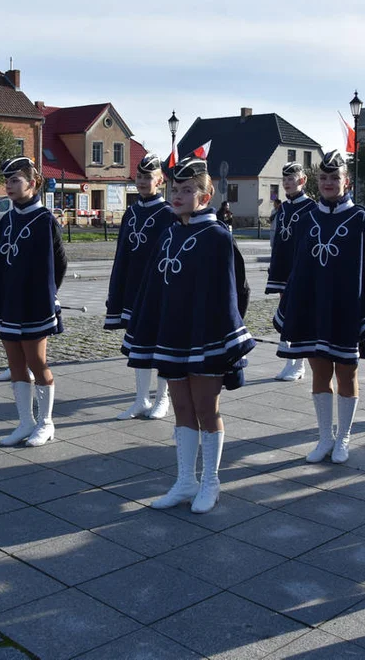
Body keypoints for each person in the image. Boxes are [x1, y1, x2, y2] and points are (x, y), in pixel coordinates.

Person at [123, 151, 255, 513]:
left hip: (207, 336)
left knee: (205, 407)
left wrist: (225, 337)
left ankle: (210, 482)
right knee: (181, 406)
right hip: (174, 334)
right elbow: (154, 285)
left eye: (187, 189)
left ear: (204, 196)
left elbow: (235, 291)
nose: (177, 196)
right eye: (175, 189)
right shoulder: (168, 234)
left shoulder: (217, 236)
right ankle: (185, 480)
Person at [274, 150, 365, 465]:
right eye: (323, 178)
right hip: (313, 308)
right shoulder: (306, 217)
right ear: (316, 182)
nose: (328, 182)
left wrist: (360, 300)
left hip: (346, 310)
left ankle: (344, 438)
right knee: (319, 373)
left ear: (346, 181)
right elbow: (298, 263)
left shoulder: (360, 219)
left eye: (334, 177)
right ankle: (324, 437)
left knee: (347, 375)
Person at [0, 156, 67, 447]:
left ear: (32, 183)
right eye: (7, 181)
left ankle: (46, 423)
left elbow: (58, 262)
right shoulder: (8, 218)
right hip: (9, 301)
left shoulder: (44, 219)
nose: (9, 185)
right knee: (15, 362)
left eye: (15, 180)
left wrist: (47, 295)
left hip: (34, 302)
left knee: (36, 361)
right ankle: (25, 422)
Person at [104, 152, 177, 419]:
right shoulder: (131, 212)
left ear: (160, 180)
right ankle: (140, 399)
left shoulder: (168, 213)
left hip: (157, 289)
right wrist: (117, 290)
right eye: (139, 176)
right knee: (138, 343)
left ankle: (163, 398)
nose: (143, 181)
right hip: (133, 288)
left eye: (148, 177)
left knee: (159, 343)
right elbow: (122, 253)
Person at [266, 162, 315, 382]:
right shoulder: (283, 208)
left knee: (298, 314)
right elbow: (277, 239)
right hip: (283, 268)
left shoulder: (311, 208)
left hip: (300, 268)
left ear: (302, 181)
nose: (287, 183)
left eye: (291, 179)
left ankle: (299, 363)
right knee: (285, 313)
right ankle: (289, 359)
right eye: (285, 179)